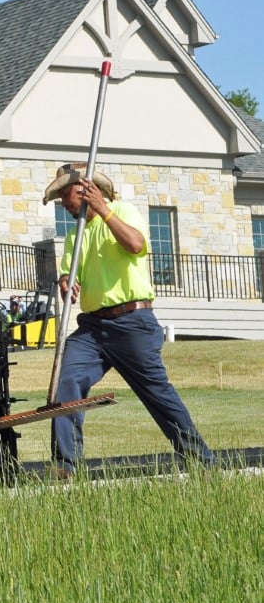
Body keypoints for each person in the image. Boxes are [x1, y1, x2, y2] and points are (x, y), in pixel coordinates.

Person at [42, 163, 216, 476]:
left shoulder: (123, 211)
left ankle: (201, 460)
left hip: (132, 321)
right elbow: (69, 272)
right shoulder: (74, 235)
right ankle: (66, 465)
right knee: (66, 379)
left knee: (156, 392)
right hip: (92, 328)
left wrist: (104, 212)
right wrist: (66, 280)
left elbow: (135, 245)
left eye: (64, 196)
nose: (63, 204)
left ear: (84, 191)